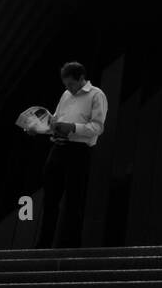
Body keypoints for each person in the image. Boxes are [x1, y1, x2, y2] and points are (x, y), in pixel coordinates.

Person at [29, 61, 108, 248]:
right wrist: (37, 129)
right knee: (50, 200)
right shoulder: (66, 95)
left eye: (71, 84)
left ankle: (69, 246)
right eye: (66, 85)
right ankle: (43, 245)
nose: (68, 89)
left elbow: (98, 127)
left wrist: (72, 127)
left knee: (73, 201)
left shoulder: (97, 95)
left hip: (78, 152)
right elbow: (55, 122)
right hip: (57, 149)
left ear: (81, 78)